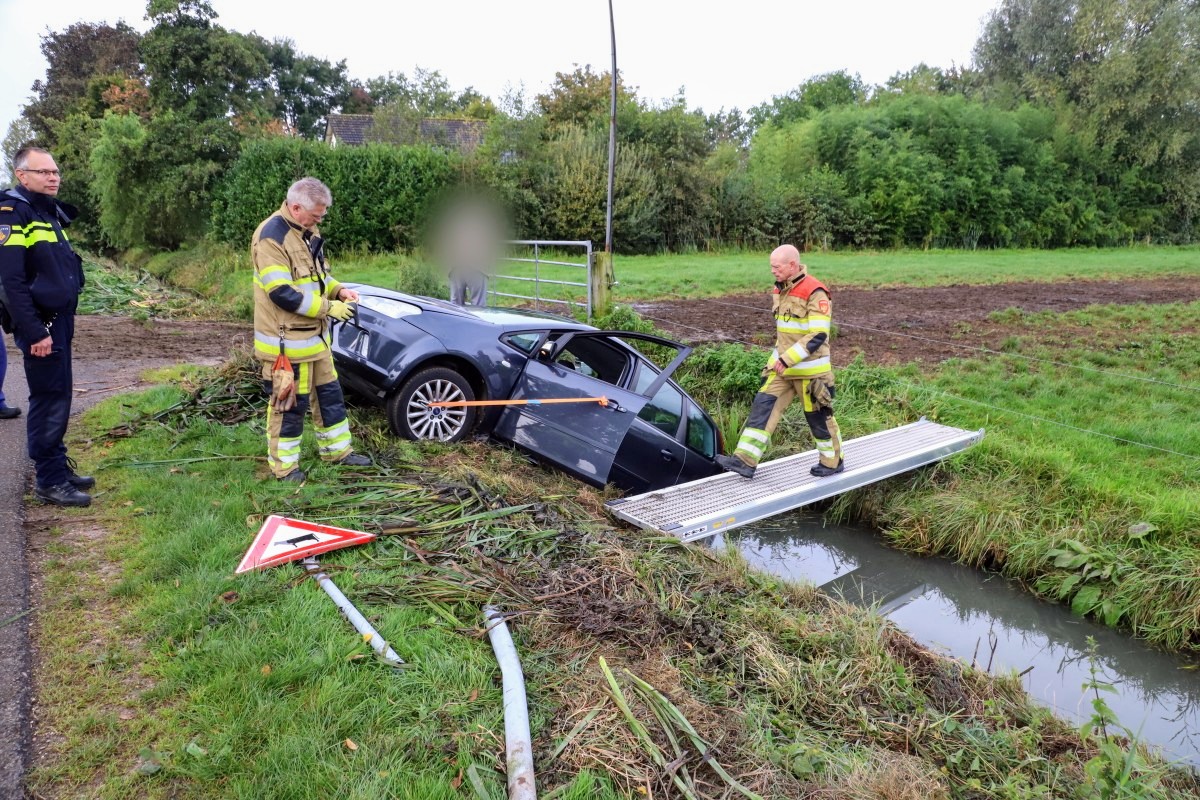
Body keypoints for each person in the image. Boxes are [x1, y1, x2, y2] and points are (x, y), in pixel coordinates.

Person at [252, 177, 371, 482]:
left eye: (321, 215)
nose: (320, 220)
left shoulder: (306, 231)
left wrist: (339, 290)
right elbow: (282, 292)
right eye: (316, 215)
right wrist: (330, 308)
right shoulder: (271, 238)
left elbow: (317, 279)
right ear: (295, 207)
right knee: (288, 407)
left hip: (315, 341)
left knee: (330, 397)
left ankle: (337, 453)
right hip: (287, 344)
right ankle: (285, 468)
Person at [0, 147, 93, 506]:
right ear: (22, 175)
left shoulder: (45, 211)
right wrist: (36, 330)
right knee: (48, 399)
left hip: (59, 321)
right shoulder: (13, 213)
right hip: (42, 326)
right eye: (44, 172)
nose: (53, 178)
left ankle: (58, 467)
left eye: (55, 172)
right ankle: (50, 481)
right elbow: (9, 282)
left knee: (61, 394)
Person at [716, 244, 844, 480]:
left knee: (818, 418)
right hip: (783, 369)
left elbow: (817, 334)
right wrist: (773, 362)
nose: (772, 271)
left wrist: (786, 359)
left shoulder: (815, 291)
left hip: (810, 372)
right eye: (771, 266)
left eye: (776, 267)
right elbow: (784, 335)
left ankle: (832, 462)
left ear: (792, 265)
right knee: (763, 405)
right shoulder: (780, 290)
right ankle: (745, 460)